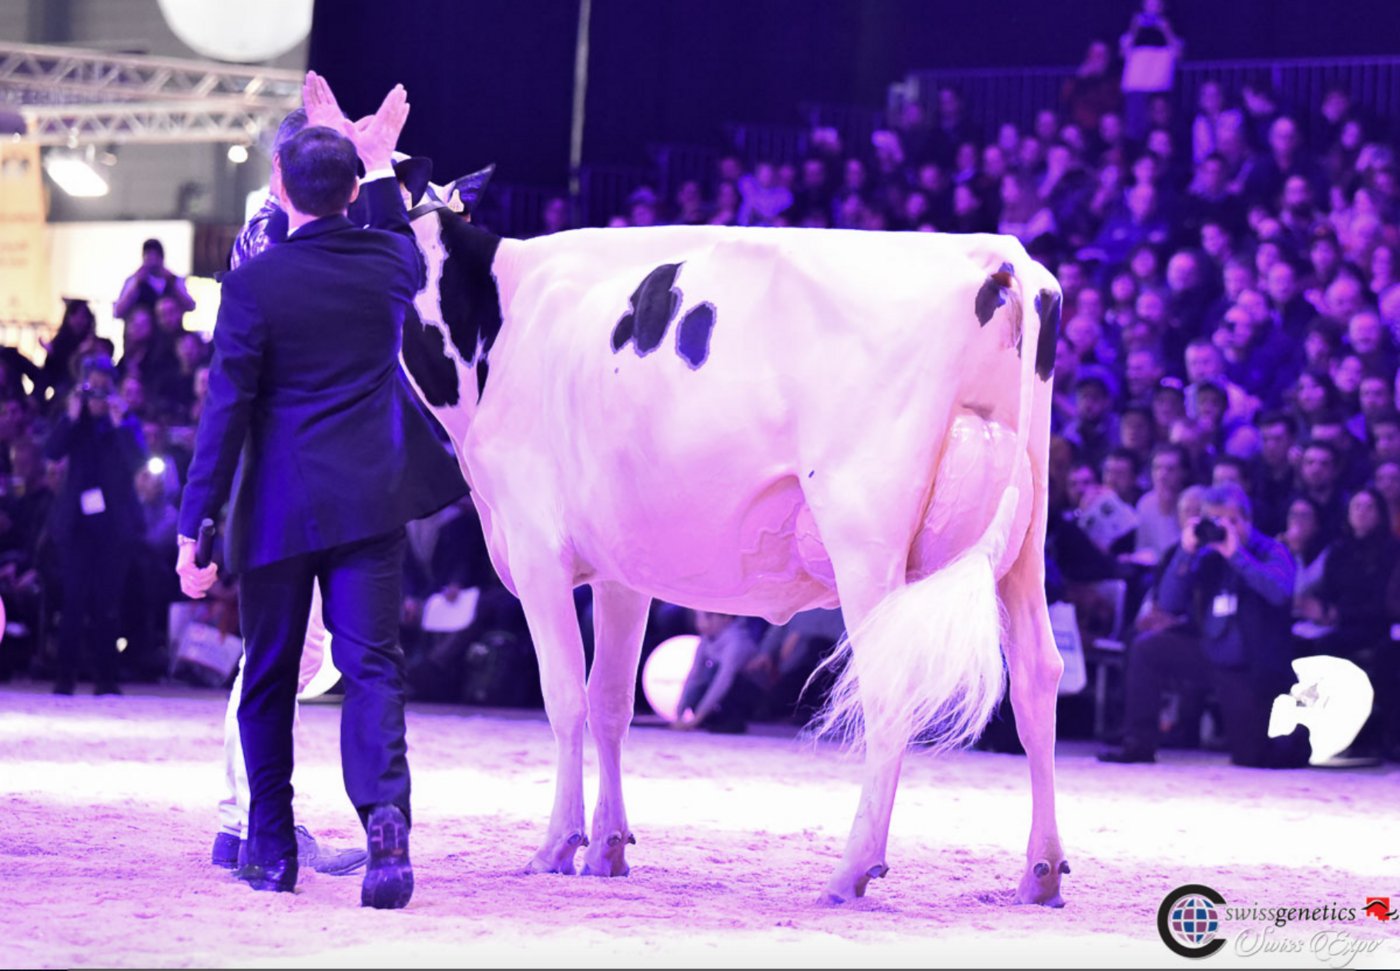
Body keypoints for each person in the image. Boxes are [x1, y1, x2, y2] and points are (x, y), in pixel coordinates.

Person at [176, 85, 467, 907]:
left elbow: (224, 412)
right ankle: (386, 825)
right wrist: (372, 160)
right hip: (368, 502)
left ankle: (270, 847)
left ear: (278, 184)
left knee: (268, 676)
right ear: (350, 191)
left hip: (275, 507)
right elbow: (396, 230)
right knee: (373, 668)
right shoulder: (389, 267)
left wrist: (195, 524)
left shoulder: (253, 284)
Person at [1099, 483, 1307, 767]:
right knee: (1147, 649)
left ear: (1247, 520)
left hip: (1249, 667)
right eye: (1216, 521)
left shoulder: (1271, 550)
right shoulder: (1206, 554)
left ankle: (1294, 739)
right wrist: (1185, 552)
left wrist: (1237, 556)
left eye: (1232, 521)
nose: (1225, 528)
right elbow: (1169, 602)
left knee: (1252, 757)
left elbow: (1279, 592)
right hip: (1207, 651)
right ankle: (1138, 743)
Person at [44, 355, 144, 695]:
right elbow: (51, 451)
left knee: (107, 603)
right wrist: (71, 417)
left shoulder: (123, 422)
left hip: (114, 526)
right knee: (73, 600)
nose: (98, 397)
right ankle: (64, 678)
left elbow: (138, 462)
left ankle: (107, 679)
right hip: (77, 525)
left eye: (104, 388)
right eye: (93, 388)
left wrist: (120, 423)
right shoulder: (75, 421)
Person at [113, 238, 196, 323]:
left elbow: (190, 306)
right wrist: (136, 285)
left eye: (155, 257)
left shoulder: (174, 280)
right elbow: (117, 312)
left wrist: (173, 283)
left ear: (162, 258)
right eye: (149, 257)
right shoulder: (134, 281)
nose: (153, 262)